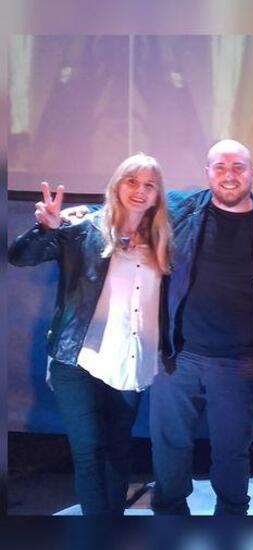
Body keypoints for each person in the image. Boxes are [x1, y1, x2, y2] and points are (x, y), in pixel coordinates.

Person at [9, 153, 172, 515]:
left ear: (157, 195)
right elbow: (20, 256)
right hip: (77, 359)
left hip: (129, 362)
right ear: (117, 184)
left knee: (117, 451)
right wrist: (45, 228)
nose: (140, 191)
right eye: (132, 181)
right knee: (89, 451)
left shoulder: (162, 241)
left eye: (149, 185)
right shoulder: (83, 227)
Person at [149, 139, 253, 515]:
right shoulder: (181, 209)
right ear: (208, 173)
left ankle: (231, 520)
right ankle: (169, 518)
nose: (229, 176)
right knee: (169, 446)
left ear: (252, 173)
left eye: (238, 168)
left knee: (232, 453)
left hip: (241, 361)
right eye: (220, 167)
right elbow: (124, 206)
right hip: (178, 355)